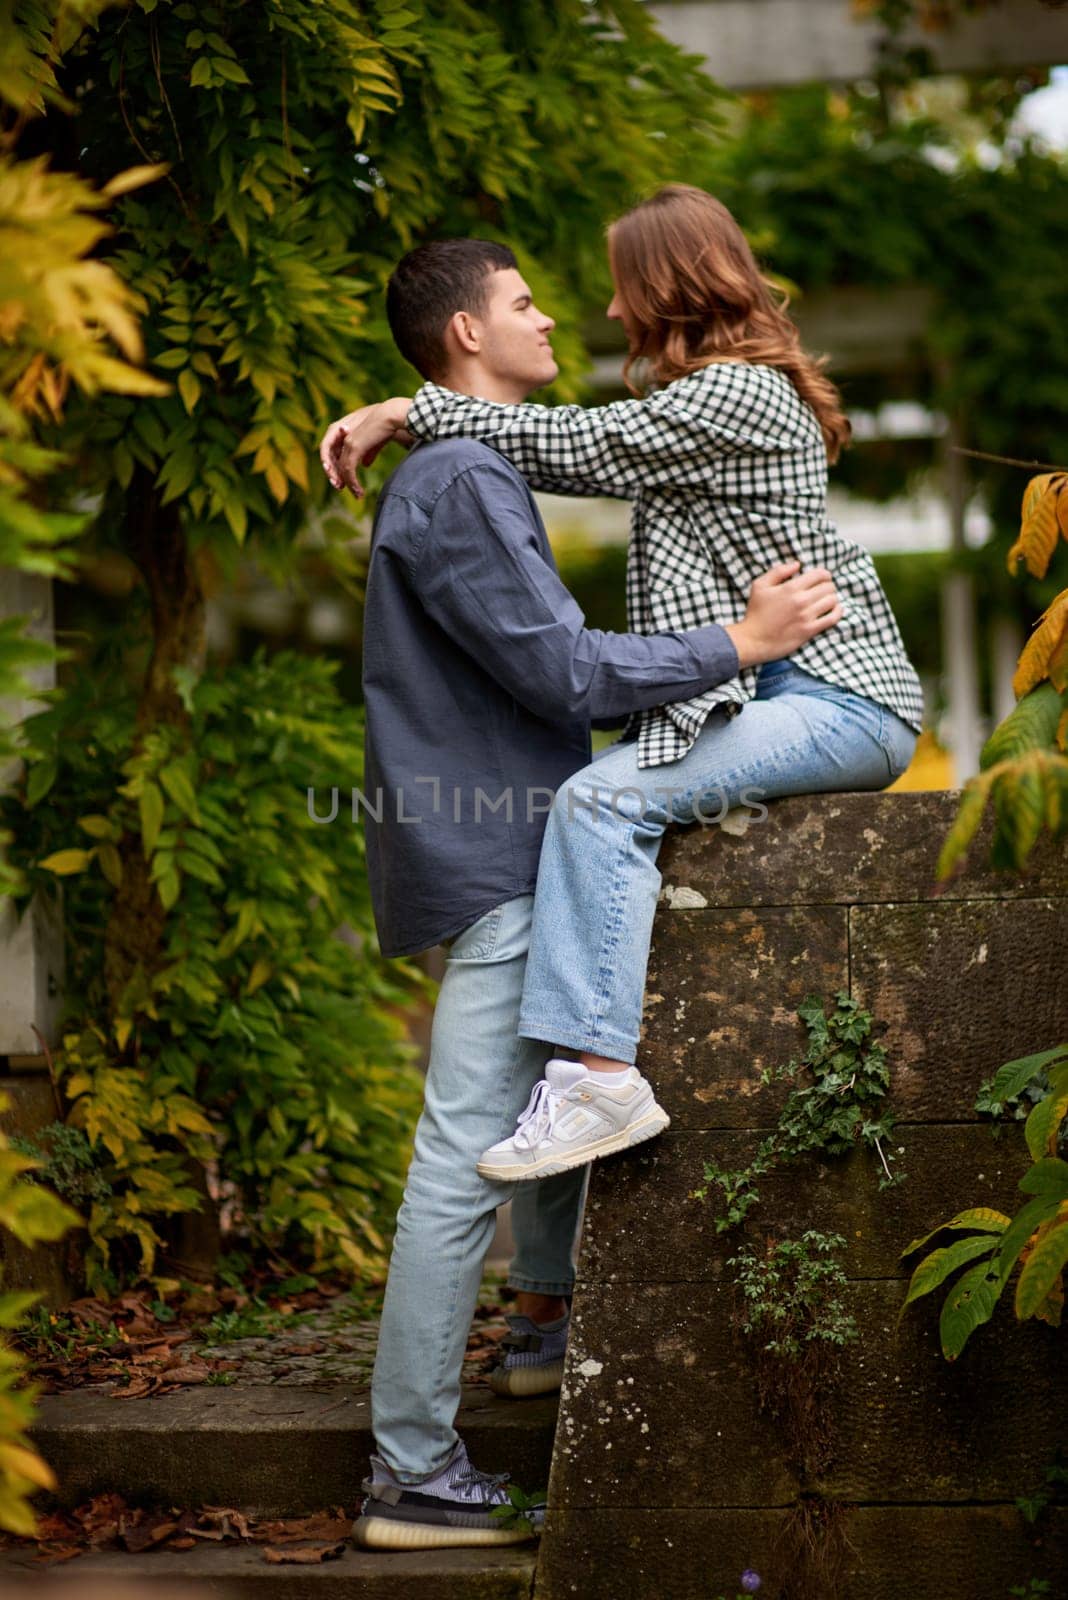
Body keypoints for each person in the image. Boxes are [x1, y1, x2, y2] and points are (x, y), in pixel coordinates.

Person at [332, 236, 842, 1550]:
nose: (551, 316)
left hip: (506, 838)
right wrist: (740, 642)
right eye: (520, 303)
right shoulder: (457, 478)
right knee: (464, 1154)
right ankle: (407, 1471)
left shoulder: (466, 466)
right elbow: (561, 674)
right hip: (500, 847)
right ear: (462, 336)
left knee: (546, 1103)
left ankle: (534, 1341)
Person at [321, 184, 922, 1187]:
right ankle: (551, 1286)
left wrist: (405, 406)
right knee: (612, 798)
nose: (604, 313)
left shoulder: (734, 392)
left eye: (619, 289)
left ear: (669, 285)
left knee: (598, 802)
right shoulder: (702, 404)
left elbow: (577, 447)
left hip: (837, 696)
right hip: (784, 696)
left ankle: (599, 1078)